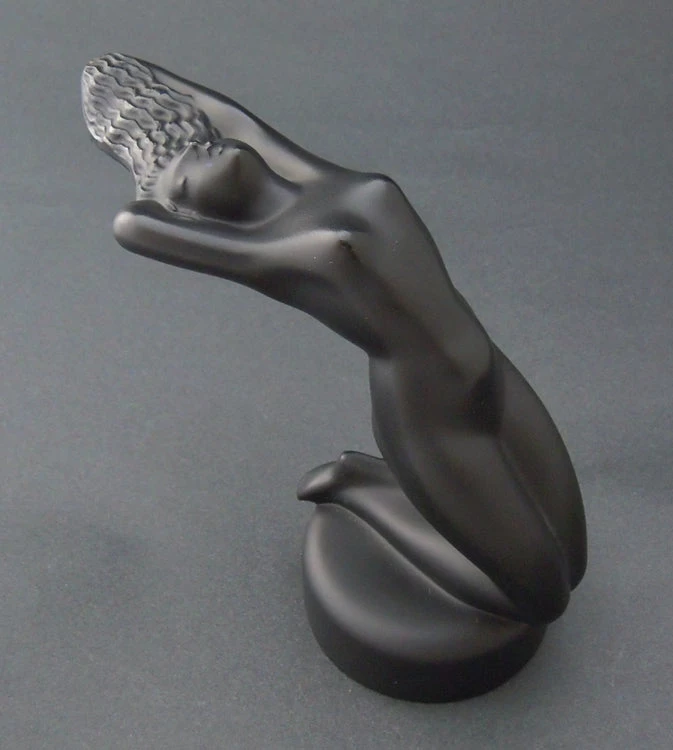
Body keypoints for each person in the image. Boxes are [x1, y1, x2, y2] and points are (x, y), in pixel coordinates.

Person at [87, 53, 587, 626]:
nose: (201, 150)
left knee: (572, 560)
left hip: (492, 373)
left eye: (197, 144)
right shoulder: (266, 252)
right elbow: (133, 227)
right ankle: (360, 486)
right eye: (182, 175)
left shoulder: (315, 181)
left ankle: (416, 497)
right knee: (542, 600)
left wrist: (131, 88)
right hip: (433, 417)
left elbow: (226, 116)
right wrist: (131, 155)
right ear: (186, 211)